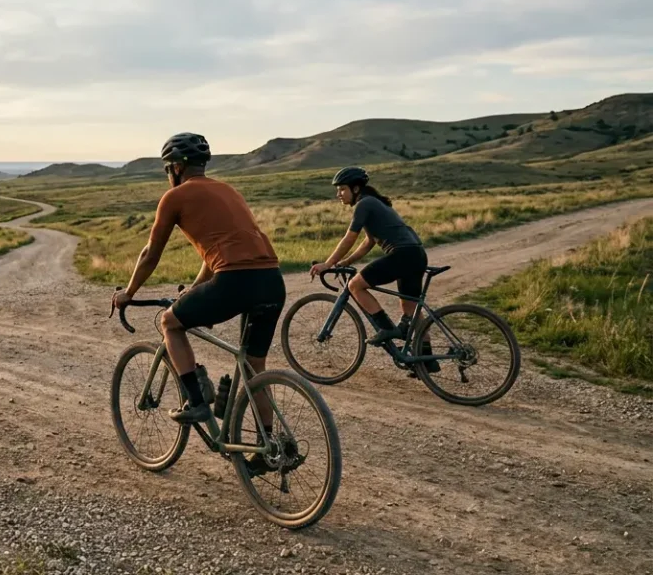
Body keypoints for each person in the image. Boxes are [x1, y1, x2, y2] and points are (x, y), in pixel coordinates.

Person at [112, 133, 286, 437]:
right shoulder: (227, 190)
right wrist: (195, 288)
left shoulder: (174, 197)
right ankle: (270, 446)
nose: (169, 175)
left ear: (177, 167)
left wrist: (128, 292)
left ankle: (196, 400)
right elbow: (217, 250)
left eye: (168, 169)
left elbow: (150, 254)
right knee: (254, 366)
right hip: (272, 279)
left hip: (235, 281)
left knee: (170, 322)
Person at [309, 167, 434, 371]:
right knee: (411, 310)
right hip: (415, 254)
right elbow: (368, 243)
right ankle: (427, 361)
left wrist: (328, 264)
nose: (338, 194)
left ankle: (386, 329)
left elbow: (350, 238)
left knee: (355, 285)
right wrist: (345, 262)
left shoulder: (364, 204)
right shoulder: (374, 203)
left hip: (402, 254)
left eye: (341, 189)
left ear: (355, 188)